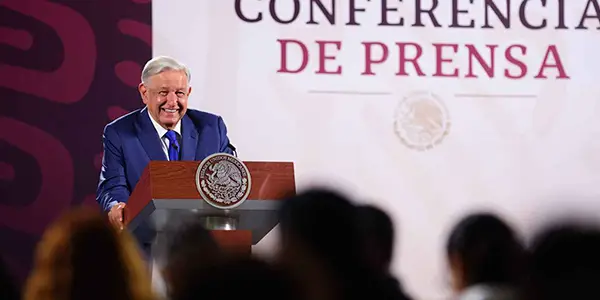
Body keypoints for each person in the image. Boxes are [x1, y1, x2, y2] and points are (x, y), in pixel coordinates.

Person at [95, 56, 235, 254]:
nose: (172, 102)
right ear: (144, 93)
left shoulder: (212, 127)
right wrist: (118, 206)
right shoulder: (119, 132)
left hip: (201, 250)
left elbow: (229, 182)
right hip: (145, 248)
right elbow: (113, 184)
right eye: (163, 93)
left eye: (179, 93)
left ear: (189, 93)